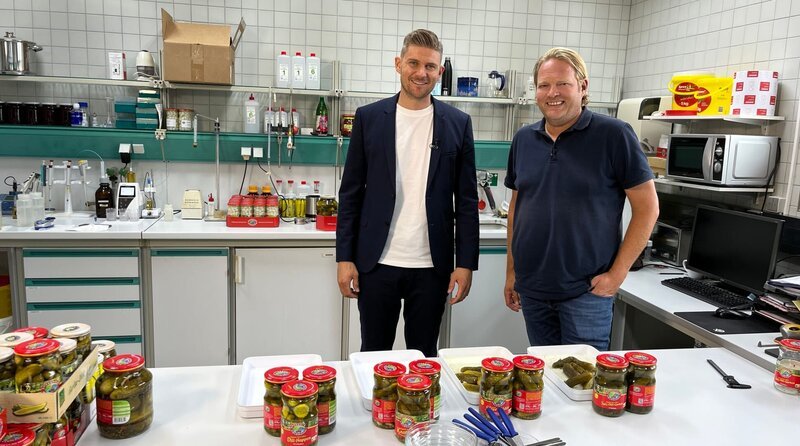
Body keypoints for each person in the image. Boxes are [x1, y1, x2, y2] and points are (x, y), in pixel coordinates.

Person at [503, 47, 659, 351]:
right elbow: (516, 209)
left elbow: (648, 208)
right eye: (544, 85)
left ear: (583, 86)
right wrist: (511, 272)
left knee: (583, 388)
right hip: (533, 290)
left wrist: (617, 275)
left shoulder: (614, 135)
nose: (553, 93)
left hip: (586, 292)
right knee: (544, 382)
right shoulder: (524, 139)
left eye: (563, 84)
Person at [336, 29, 479, 358]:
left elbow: (467, 202)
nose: (421, 72)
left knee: (425, 355)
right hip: (377, 262)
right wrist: (345, 258)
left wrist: (466, 264)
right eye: (413, 63)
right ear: (398, 64)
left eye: (430, 66)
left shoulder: (458, 123)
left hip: (432, 266)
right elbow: (351, 194)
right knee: (374, 353)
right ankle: (378, 412)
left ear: (439, 72)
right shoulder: (369, 118)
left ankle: (421, 412)